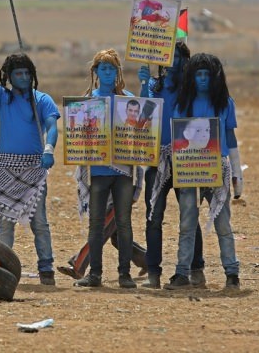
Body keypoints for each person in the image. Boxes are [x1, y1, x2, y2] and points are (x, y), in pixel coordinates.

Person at [0, 38, 60, 286]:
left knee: (39, 222)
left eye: (26, 73)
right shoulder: (3, 98)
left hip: (35, 166)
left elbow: (52, 126)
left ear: (32, 75)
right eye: (17, 73)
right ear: (9, 77)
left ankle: (46, 269)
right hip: (7, 168)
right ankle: (1, 267)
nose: (22, 77)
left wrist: (48, 148)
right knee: (5, 222)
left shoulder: (41, 100)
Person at [163, 53, 244, 291]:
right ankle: (181, 274)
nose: (202, 79)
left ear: (215, 77)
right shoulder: (182, 104)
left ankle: (232, 274)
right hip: (188, 168)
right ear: (191, 77)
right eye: (198, 74)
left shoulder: (225, 103)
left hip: (217, 168)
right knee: (187, 222)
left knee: (223, 224)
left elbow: (230, 137)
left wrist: (238, 174)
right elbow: (179, 138)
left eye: (206, 74)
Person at [72, 48, 142, 289]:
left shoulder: (129, 100)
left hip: (123, 172)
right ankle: (95, 274)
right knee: (96, 223)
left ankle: (125, 274)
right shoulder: (88, 101)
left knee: (124, 222)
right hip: (99, 172)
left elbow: (141, 133)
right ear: (96, 72)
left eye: (112, 69)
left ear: (118, 72)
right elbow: (79, 136)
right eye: (104, 68)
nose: (108, 73)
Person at [139, 41, 206, 289]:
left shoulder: (191, 89)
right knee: (153, 217)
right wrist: (145, 84)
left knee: (189, 216)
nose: (174, 61)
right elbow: (145, 114)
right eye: (170, 56)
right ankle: (153, 273)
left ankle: (196, 269)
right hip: (157, 159)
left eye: (178, 56)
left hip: (186, 156)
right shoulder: (156, 86)